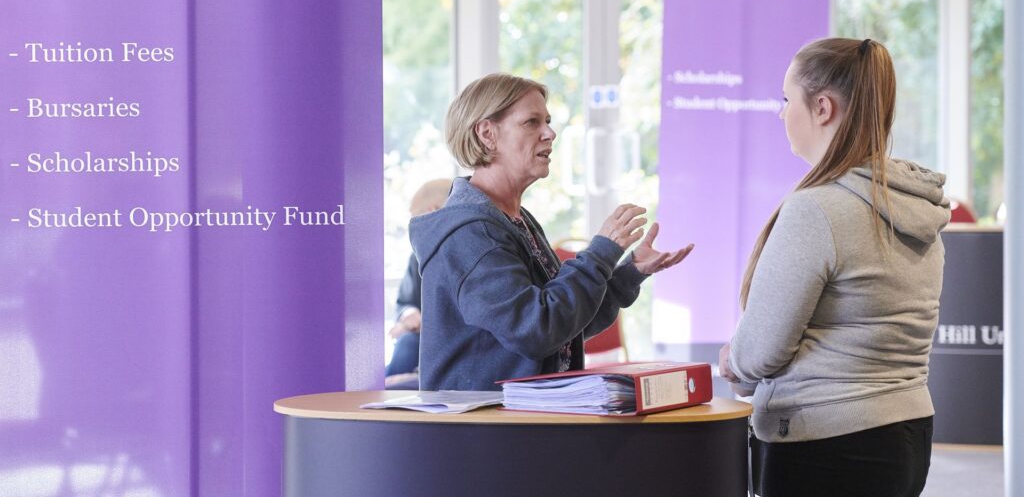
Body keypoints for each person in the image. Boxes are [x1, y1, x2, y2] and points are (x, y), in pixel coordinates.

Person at [718, 38, 950, 497]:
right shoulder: (914, 205)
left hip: (824, 441)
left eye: (787, 100)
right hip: (907, 432)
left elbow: (760, 349)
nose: (782, 113)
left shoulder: (817, 210)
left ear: (822, 107)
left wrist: (734, 362)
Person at [410, 73, 693, 391]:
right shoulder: (471, 233)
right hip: (485, 430)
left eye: (547, 120)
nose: (550, 133)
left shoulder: (515, 219)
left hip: (519, 422)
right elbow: (536, 331)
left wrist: (629, 272)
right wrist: (601, 252)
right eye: (532, 122)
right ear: (487, 133)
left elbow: (564, 328)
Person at [385, 178, 453, 382]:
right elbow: (404, 302)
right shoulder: (417, 258)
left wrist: (414, 326)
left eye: (414, 217)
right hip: (419, 343)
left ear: (432, 211)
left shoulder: (467, 253)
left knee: (406, 344)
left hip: (446, 346)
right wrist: (409, 314)